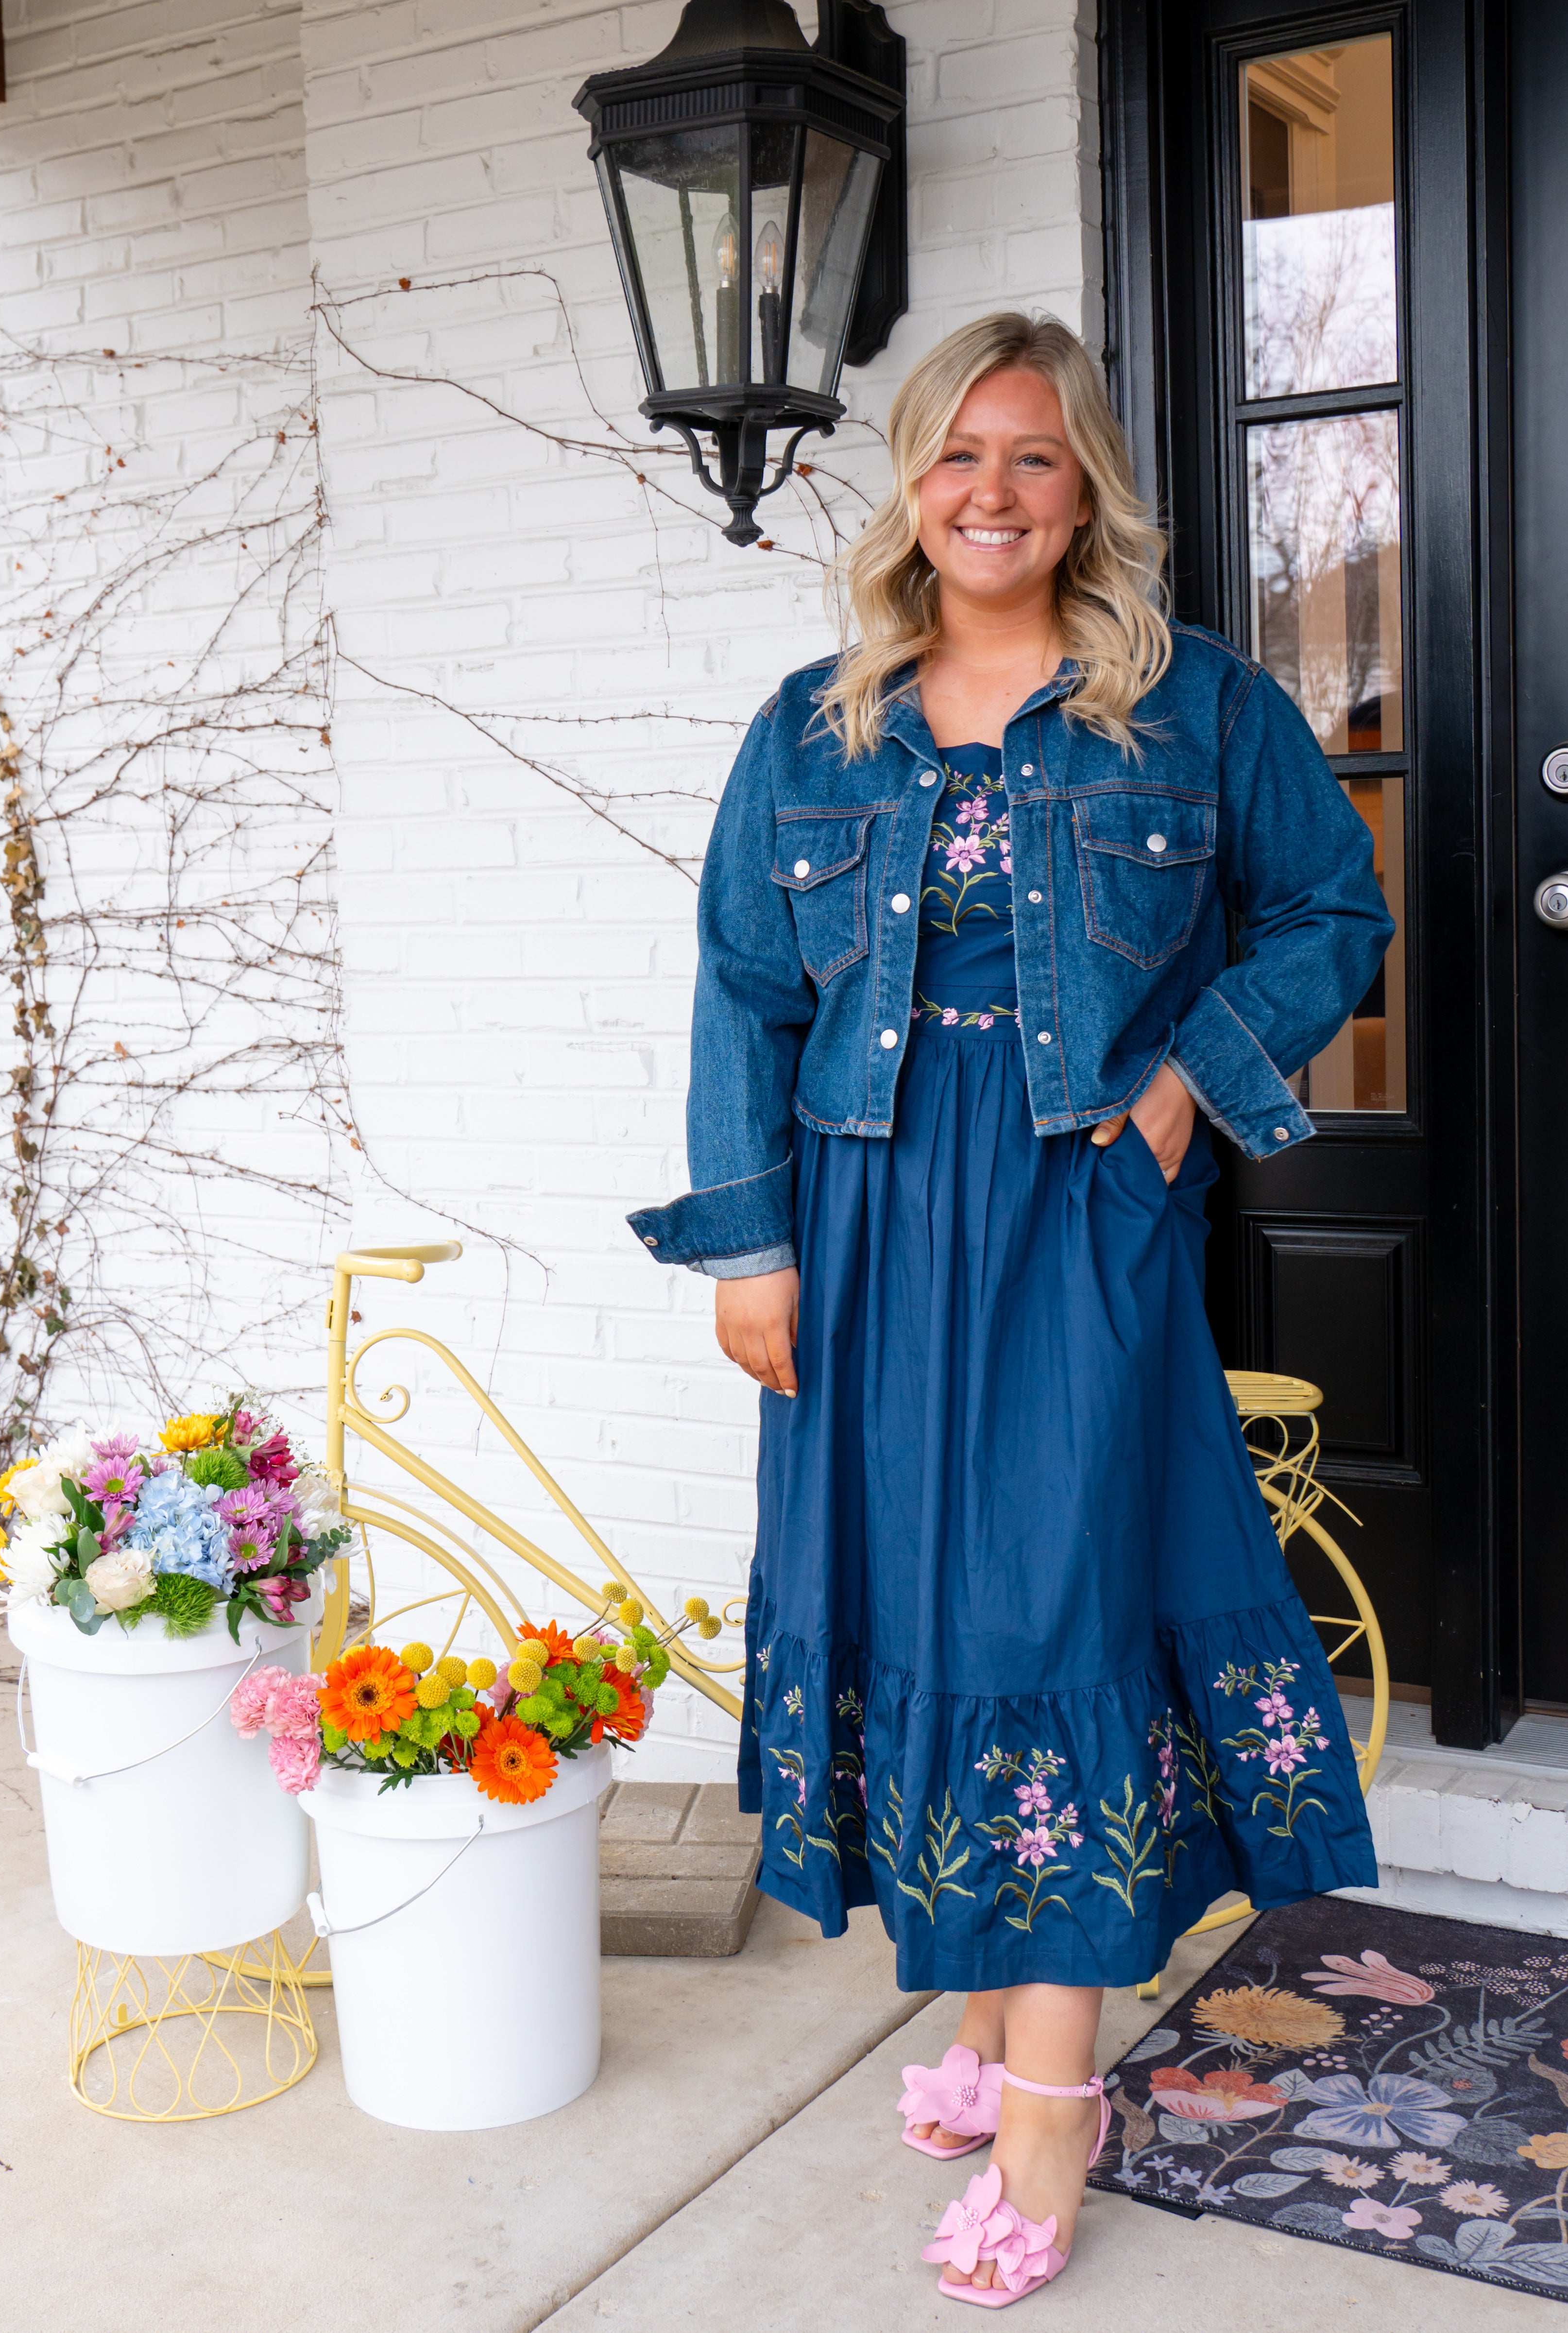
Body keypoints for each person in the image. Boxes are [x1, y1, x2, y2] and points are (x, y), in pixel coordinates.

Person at [627, 311, 1388, 2307]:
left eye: (1032, 455)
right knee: (907, 1600)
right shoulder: (814, 726)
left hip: (1074, 1207)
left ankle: (1054, 2102)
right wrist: (752, 1247)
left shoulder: (1193, 704)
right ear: (907, 485)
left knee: (1047, 1611)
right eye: (956, 453)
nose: (991, 491)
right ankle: (980, 2009)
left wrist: (1186, 1084)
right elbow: (742, 991)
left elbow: (1336, 908)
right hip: (860, 1211)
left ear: (1084, 489)